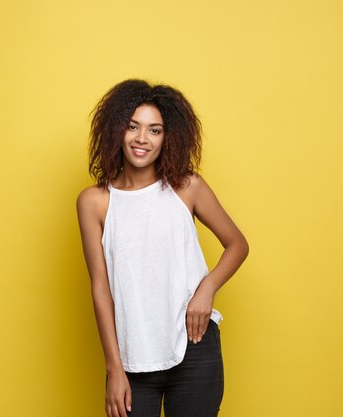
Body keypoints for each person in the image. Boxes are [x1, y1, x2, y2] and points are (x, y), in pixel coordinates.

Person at [76, 79, 249, 417]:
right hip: (131, 356)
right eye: (133, 127)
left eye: (155, 130)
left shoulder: (187, 188)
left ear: (168, 137)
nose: (143, 139)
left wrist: (206, 290)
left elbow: (237, 245)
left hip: (194, 346)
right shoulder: (95, 202)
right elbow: (100, 287)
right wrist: (114, 369)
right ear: (116, 131)